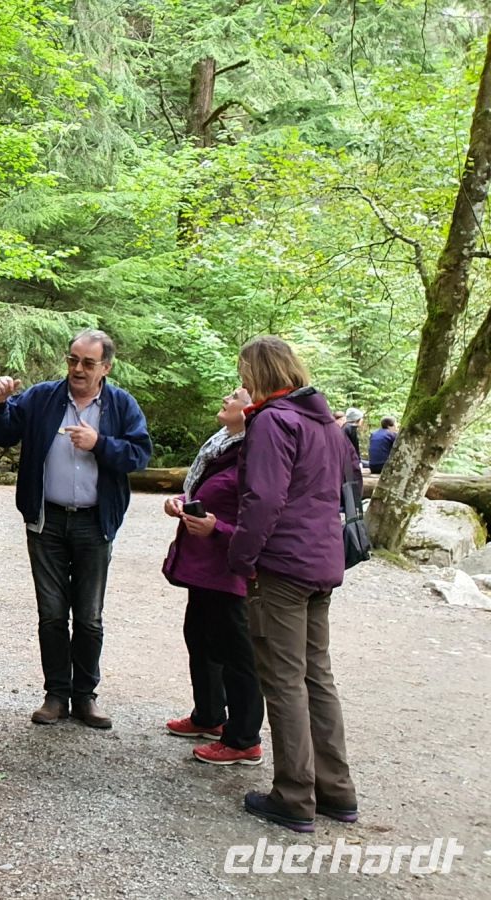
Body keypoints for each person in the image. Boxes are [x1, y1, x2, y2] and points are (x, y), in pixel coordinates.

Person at [0, 329, 153, 729]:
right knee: (52, 614)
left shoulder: (121, 405)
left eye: (87, 363)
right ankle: (56, 694)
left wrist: (100, 444)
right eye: (73, 359)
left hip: (95, 522)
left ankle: (85, 697)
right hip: (48, 520)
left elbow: (139, 454)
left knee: (89, 616)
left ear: (105, 367)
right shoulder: (43, 397)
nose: (77, 368)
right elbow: (0, 432)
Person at [228, 336, 360, 834]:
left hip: (283, 567)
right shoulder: (327, 425)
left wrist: (242, 557)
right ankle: (336, 790)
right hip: (322, 564)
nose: (241, 382)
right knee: (316, 677)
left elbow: (262, 499)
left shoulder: (273, 422)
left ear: (260, 372)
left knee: (283, 679)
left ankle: (294, 795)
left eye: (244, 371)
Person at [161, 388, 265, 766]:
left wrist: (216, 528)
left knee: (239, 653)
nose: (226, 397)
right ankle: (209, 716)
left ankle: (244, 739)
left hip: (231, 570)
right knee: (200, 638)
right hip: (204, 568)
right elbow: (206, 492)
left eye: (236, 394)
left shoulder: (257, 451)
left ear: (251, 408)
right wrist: (181, 503)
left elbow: (260, 515)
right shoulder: (223, 445)